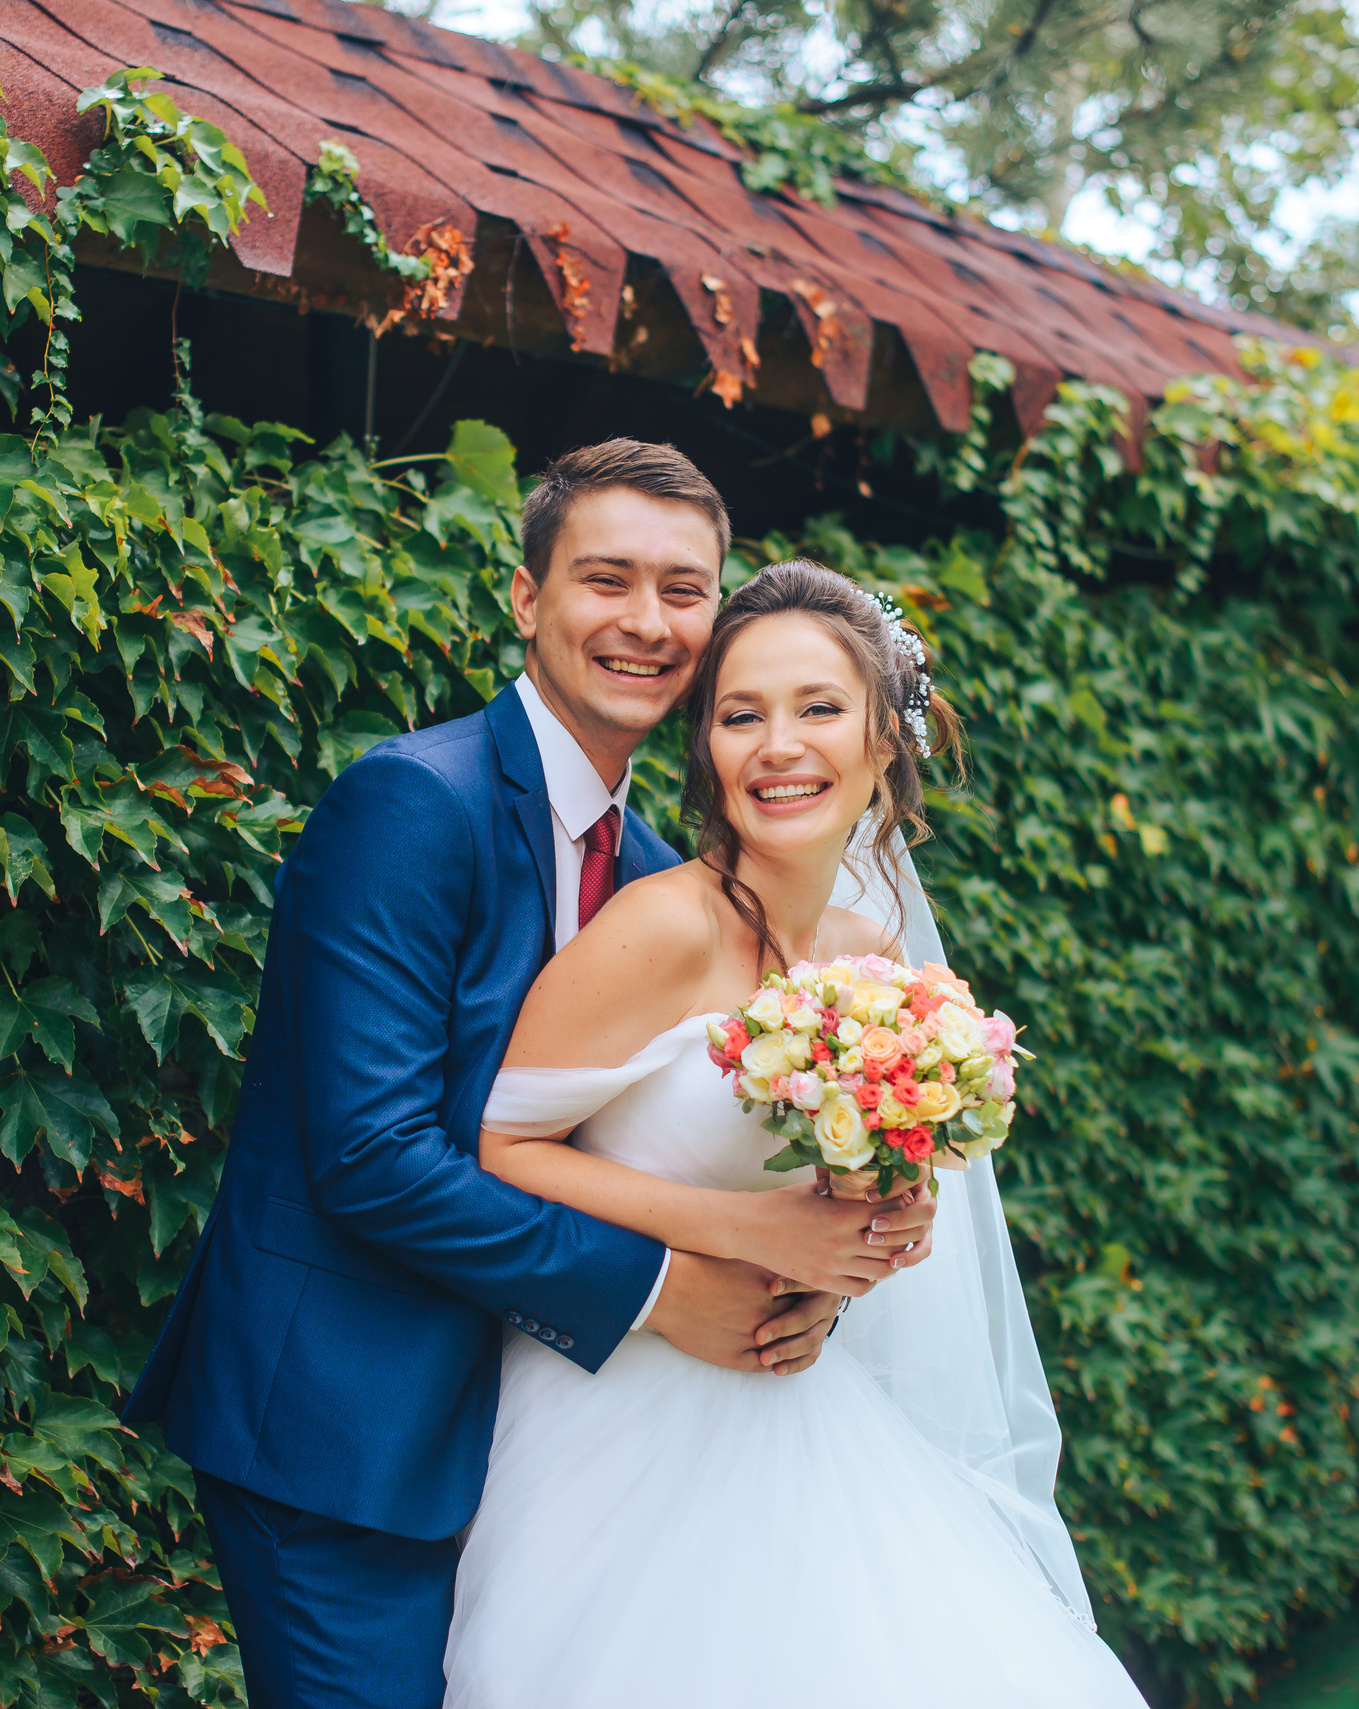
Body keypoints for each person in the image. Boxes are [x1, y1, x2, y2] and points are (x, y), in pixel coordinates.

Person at [124, 444, 942, 1709]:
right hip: (349, 1421)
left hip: (555, 1434)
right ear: (525, 596)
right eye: (606, 578)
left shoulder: (668, 873)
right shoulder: (412, 802)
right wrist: (664, 1288)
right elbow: (372, 1157)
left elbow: (655, 1144)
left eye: (683, 590)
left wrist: (812, 1275)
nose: (646, 621)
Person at [445, 559, 1143, 1706]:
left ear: (882, 741)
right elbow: (499, 1150)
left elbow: (864, 1185)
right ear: (706, 750)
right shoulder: (661, 926)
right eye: (739, 715)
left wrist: (855, 1253)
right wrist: (742, 1232)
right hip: (616, 1419)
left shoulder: (874, 954)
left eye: (818, 707)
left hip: (793, 1396)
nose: (778, 746)